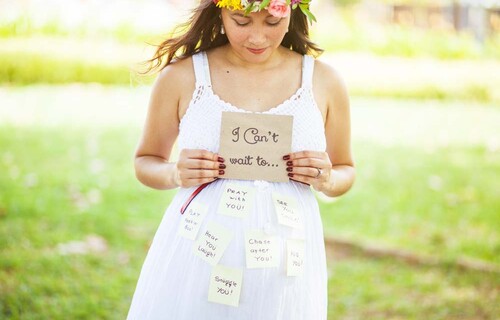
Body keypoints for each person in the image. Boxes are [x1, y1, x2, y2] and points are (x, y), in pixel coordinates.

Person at [127, 0, 355, 318]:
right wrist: (175, 173)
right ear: (220, 12)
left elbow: (346, 170)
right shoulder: (183, 77)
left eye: (272, 23)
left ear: (293, 12)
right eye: (241, 22)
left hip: (286, 268)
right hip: (199, 260)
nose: (257, 38)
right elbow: (145, 161)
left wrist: (328, 178)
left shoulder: (324, 81)